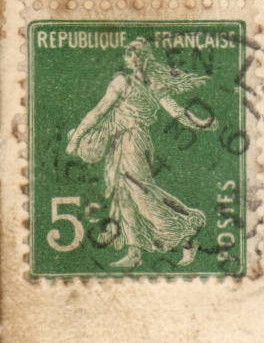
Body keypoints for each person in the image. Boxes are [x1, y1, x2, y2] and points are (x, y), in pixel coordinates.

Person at [64, 38, 215, 269]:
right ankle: (135, 252)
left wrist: (75, 140)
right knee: (125, 194)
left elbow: (174, 111)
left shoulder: (141, 83)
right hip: (121, 140)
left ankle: (185, 234)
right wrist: (199, 124)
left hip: (134, 141)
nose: (132, 59)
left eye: (135, 55)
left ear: (142, 58)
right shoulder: (126, 82)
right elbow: (100, 112)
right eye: (130, 55)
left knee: (140, 194)